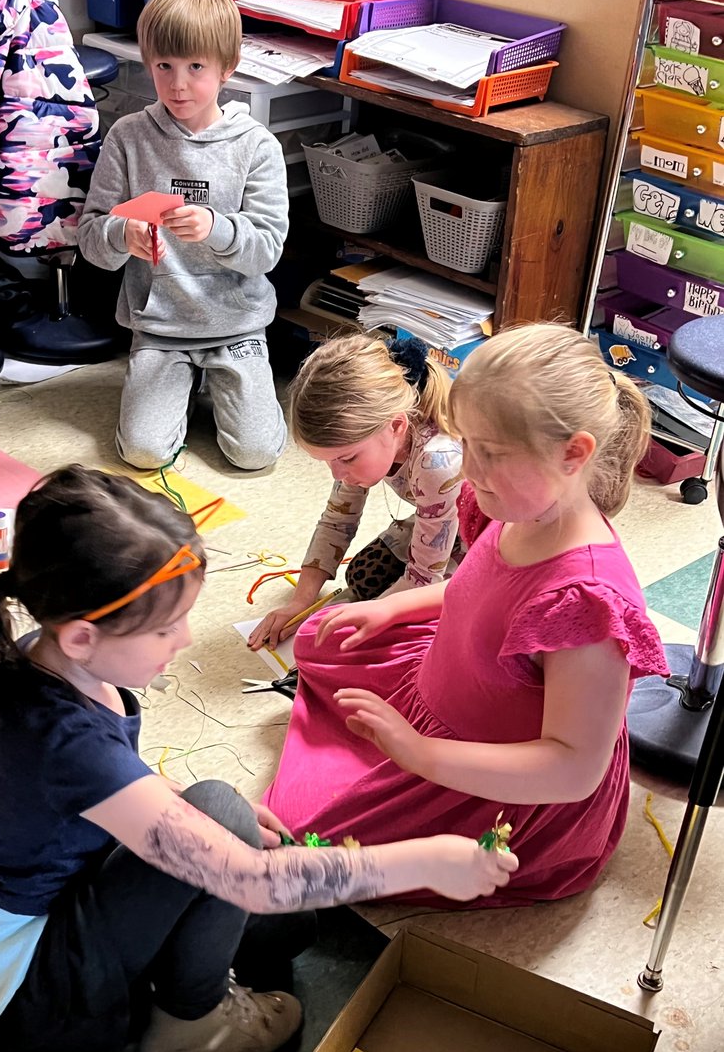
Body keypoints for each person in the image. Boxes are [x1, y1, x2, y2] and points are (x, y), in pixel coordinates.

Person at [0, 465, 517, 1052]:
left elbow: (101, 789)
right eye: (165, 627)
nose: (185, 639)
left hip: (60, 930)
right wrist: (427, 860)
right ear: (84, 636)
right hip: (43, 1004)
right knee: (229, 825)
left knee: (275, 899)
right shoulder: (64, 735)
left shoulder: (53, 659)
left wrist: (177, 799)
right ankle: (190, 1031)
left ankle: (183, 974)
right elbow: (251, 881)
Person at [263, 324, 669, 907]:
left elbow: (575, 769)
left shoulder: (586, 602)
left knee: (303, 840)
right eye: (467, 443)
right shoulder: (523, 508)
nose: (468, 471)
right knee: (321, 639)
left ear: (572, 454)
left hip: (499, 781)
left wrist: (420, 752)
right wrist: (392, 606)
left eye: (489, 453)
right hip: (442, 688)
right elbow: (473, 587)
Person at [78, 0, 288, 472]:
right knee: (144, 453)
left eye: (195, 67)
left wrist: (216, 228)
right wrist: (122, 234)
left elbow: (267, 249)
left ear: (226, 67)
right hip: (160, 328)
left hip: (236, 324)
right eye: (163, 67)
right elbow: (90, 236)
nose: (177, 84)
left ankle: (223, 385)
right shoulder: (128, 137)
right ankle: (182, 389)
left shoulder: (257, 146)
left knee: (255, 453)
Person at [248, 334, 462, 653]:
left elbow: (423, 579)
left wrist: (369, 620)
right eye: (329, 461)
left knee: (422, 629)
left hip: (488, 539)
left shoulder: (437, 461)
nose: (337, 474)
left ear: (396, 426)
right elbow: (337, 521)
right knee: (364, 577)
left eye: (346, 459)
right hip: (443, 521)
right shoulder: (371, 436)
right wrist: (300, 602)